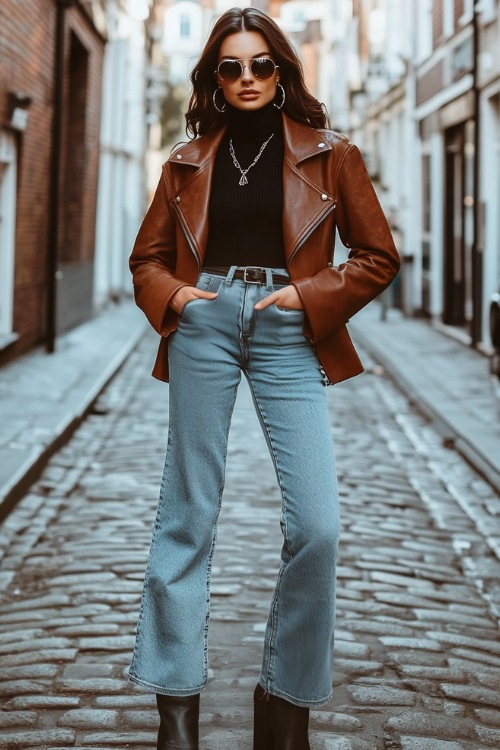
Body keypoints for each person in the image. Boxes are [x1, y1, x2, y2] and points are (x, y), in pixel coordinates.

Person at [128, 7, 399, 750]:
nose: (246, 78)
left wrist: (308, 295)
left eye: (260, 65)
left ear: (281, 73)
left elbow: (377, 256)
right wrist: (178, 297)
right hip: (206, 322)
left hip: (289, 325)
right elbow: (145, 259)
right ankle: (175, 711)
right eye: (231, 67)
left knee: (318, 525)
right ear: (214, 77)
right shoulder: (185, 159)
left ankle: (285, 709)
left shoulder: (330, 153)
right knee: (187, 515)